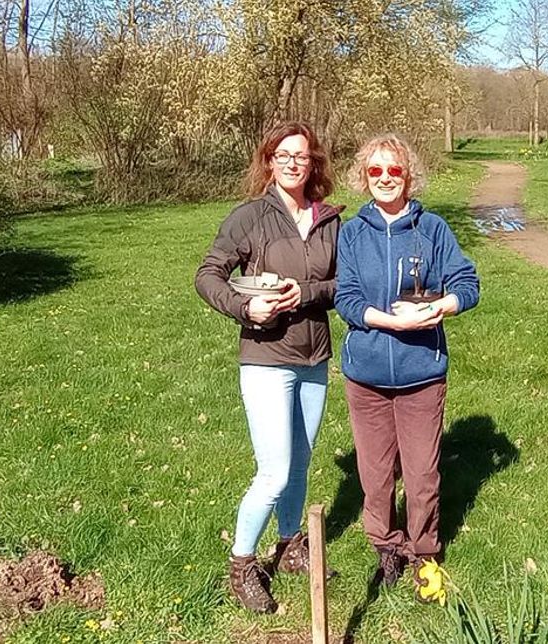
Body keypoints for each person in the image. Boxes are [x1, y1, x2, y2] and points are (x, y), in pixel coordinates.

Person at [195, 122, 342, 614]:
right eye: (284, 155)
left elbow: (344, 285)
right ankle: (242, 564)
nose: (293, 163)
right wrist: (244, 309)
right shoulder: (251, 218)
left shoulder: (329, 219)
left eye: (301, 155)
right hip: (265, 357)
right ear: (270, 162)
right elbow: (209, 274)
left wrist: (311, 293)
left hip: (314, 357)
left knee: (300, 462)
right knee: (275, 472)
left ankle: (289, 543)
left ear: (313, 162)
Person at [334, 134, 480, 597]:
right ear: (364, 178)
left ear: (408, 176)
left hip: (422, 373)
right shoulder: (353, 233)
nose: (384, 179)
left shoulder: (433, 229)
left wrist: (442, 308)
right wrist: (383, 321)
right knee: (375, 474)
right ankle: (386, 545)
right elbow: (346, 297)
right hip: (367, 374)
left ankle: (425, 554)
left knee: (421, 476)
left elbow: (467, 282)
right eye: (374, 171)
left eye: (392, 170)